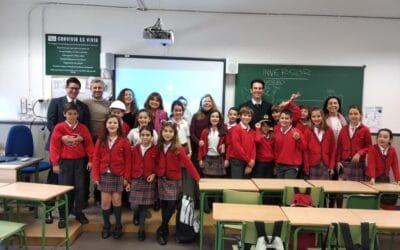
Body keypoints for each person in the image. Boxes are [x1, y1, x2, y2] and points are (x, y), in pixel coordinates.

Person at [45, 77, 91, 224]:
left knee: (80, 187)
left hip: (79, 157)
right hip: (61, 156)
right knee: (58, 186)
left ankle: (78, 212)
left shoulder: (83, 107)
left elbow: (87, 134)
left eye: (77, 89)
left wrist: (81, 140)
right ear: (66, 87)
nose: (74, 91)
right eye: (71, 88)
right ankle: (55, 213)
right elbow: (50, 123)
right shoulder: (56, 103)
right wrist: (62, 138)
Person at [155, 121, 200, 245]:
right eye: (165, 131)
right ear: (161, 132)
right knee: (164, 205)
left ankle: (162, 228)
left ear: (174, 134)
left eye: (170, 131)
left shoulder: (178, 147)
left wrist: (197, 178)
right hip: (161, 179)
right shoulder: (158, 146)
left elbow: (188, 163)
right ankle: (164, 231)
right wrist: (154, 173)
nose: (167, 134)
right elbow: (155, 161)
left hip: (174, 180)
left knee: (171, 204)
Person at [49, 102, 94, 229]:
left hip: (80, 161)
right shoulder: (59, 128)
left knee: (80, 188)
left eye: (74, 114)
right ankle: (63, 215)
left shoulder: (83, 128)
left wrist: (90, 160)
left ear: (78, 114)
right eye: (69, 114)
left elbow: (89, 144)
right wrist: (55, 163)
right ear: (64, 114)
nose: (72, 116)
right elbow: (54, 147)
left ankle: (78, 212)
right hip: (65, 163)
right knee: (65, 189)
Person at [91, 115, 131, 239]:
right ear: (106, 125)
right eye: (110, 122)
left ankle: (118, 226)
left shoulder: (124, 140)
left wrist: (126, 178)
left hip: (118, 174)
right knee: (105, 202)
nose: (112, 125)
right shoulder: (100, 140)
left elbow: (128, 160)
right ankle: (106, 226)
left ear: (119, 125)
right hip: (104, 174)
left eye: (115, 122)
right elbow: (96, 158)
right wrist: (95, 176)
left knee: (117, 200)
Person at [128, 126, 158, 241]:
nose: (145, 137)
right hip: (136, 179)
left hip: (148, 180)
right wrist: (128, 181)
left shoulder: (155, 149)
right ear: (139, 136)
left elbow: (158, 165)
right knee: (134, 205)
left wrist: (154, 174)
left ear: (151, 137)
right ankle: (136, 215)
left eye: (147, 135)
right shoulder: (134, 149)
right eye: (143, 135)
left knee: (144, 207)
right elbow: (129, 165)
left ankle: (141, 230)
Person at [84, 78, 110, 207]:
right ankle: (85, 197)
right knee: (86, 170)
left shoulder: (108, 104)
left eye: (99, 87)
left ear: (103, 89)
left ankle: (98, 196)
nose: (97, 90)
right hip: (87, 140)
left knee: (100, 169)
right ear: (91, 89)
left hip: (102, 141)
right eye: (95, 87)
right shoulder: (85, 103)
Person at [366, 128, 400, 210]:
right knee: (374, 199)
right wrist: (373, 178)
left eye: (385, 137)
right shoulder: (372, 148)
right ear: (377, 138)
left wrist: (398, 179)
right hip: (372, 178)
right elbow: (371, 164)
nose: (382, 138)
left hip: (385, 178)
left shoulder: (392, 150)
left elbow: (395, 166)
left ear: (390, 140)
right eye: (380, 136)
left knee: (388, 199)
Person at [336, 105, 372, 182]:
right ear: (348, 115)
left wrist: (359, 153)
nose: (353, 116)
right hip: (344, 163)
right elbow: (339, 147)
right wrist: (338, 161)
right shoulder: (343, 129)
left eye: (356, 114)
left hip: (358, 164)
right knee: (340, 188)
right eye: (351, 114)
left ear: (360, 115)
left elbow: (369, 146)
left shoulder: (365, 130)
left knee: (355, 189)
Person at [169, 101, 194, 197]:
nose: (178, 112)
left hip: (184, 148)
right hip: (173, 150)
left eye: (180, 110)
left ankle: (184, 196)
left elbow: (188, 137)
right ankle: (174, 196)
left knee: (185, 174)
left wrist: (190, 151)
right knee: (174, 173)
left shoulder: (185, 123)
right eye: (176, 110)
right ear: (172, 111)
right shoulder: (169, 123)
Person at [303, 107, 336, 180]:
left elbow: (332, 150)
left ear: (322, 117)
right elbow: (305, 150)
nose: (316, 118)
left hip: (325, 165)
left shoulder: (329, 131)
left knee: (324, 188)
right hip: (312, 165)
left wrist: (331, 166)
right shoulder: (308, 131)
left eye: (318, 116)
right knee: (313, 189)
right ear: (310, 118)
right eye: (313, 116)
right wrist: (306, 166)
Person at [274, 109, 306, 179]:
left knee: (288, 186)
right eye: (282, 118)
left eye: (287, 118)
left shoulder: (296, 132)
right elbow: (276, 150)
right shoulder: (277, 132)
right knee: (279, 187)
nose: (284, 120)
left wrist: (298, 139)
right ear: (279, 119)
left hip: (292, 166)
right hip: (279, 165)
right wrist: (276, 163)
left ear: (291, 120)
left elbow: (304, 147)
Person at [228, 106, 256, 179]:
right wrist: (249, 161)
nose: (246, 117)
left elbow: (253, 147)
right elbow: (237, 148)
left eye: (249, 116)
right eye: (244, 115)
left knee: (247, 185)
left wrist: (252, 160)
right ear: (240, 116)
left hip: (248, 162)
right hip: (237, 161)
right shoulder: (236, 129)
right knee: (238, 184)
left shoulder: (252, 131)